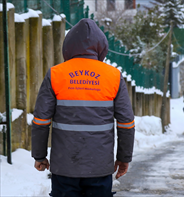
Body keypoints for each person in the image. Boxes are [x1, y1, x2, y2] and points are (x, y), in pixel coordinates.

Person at [31, 18, 135, 197]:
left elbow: (41, 121)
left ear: (68, 46)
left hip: (64, 167)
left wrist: (39, 156)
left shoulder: (56, 74)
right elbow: (126, 123)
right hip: (99, 167)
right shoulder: (113, 76)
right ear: (101, 46)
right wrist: (123, 158)